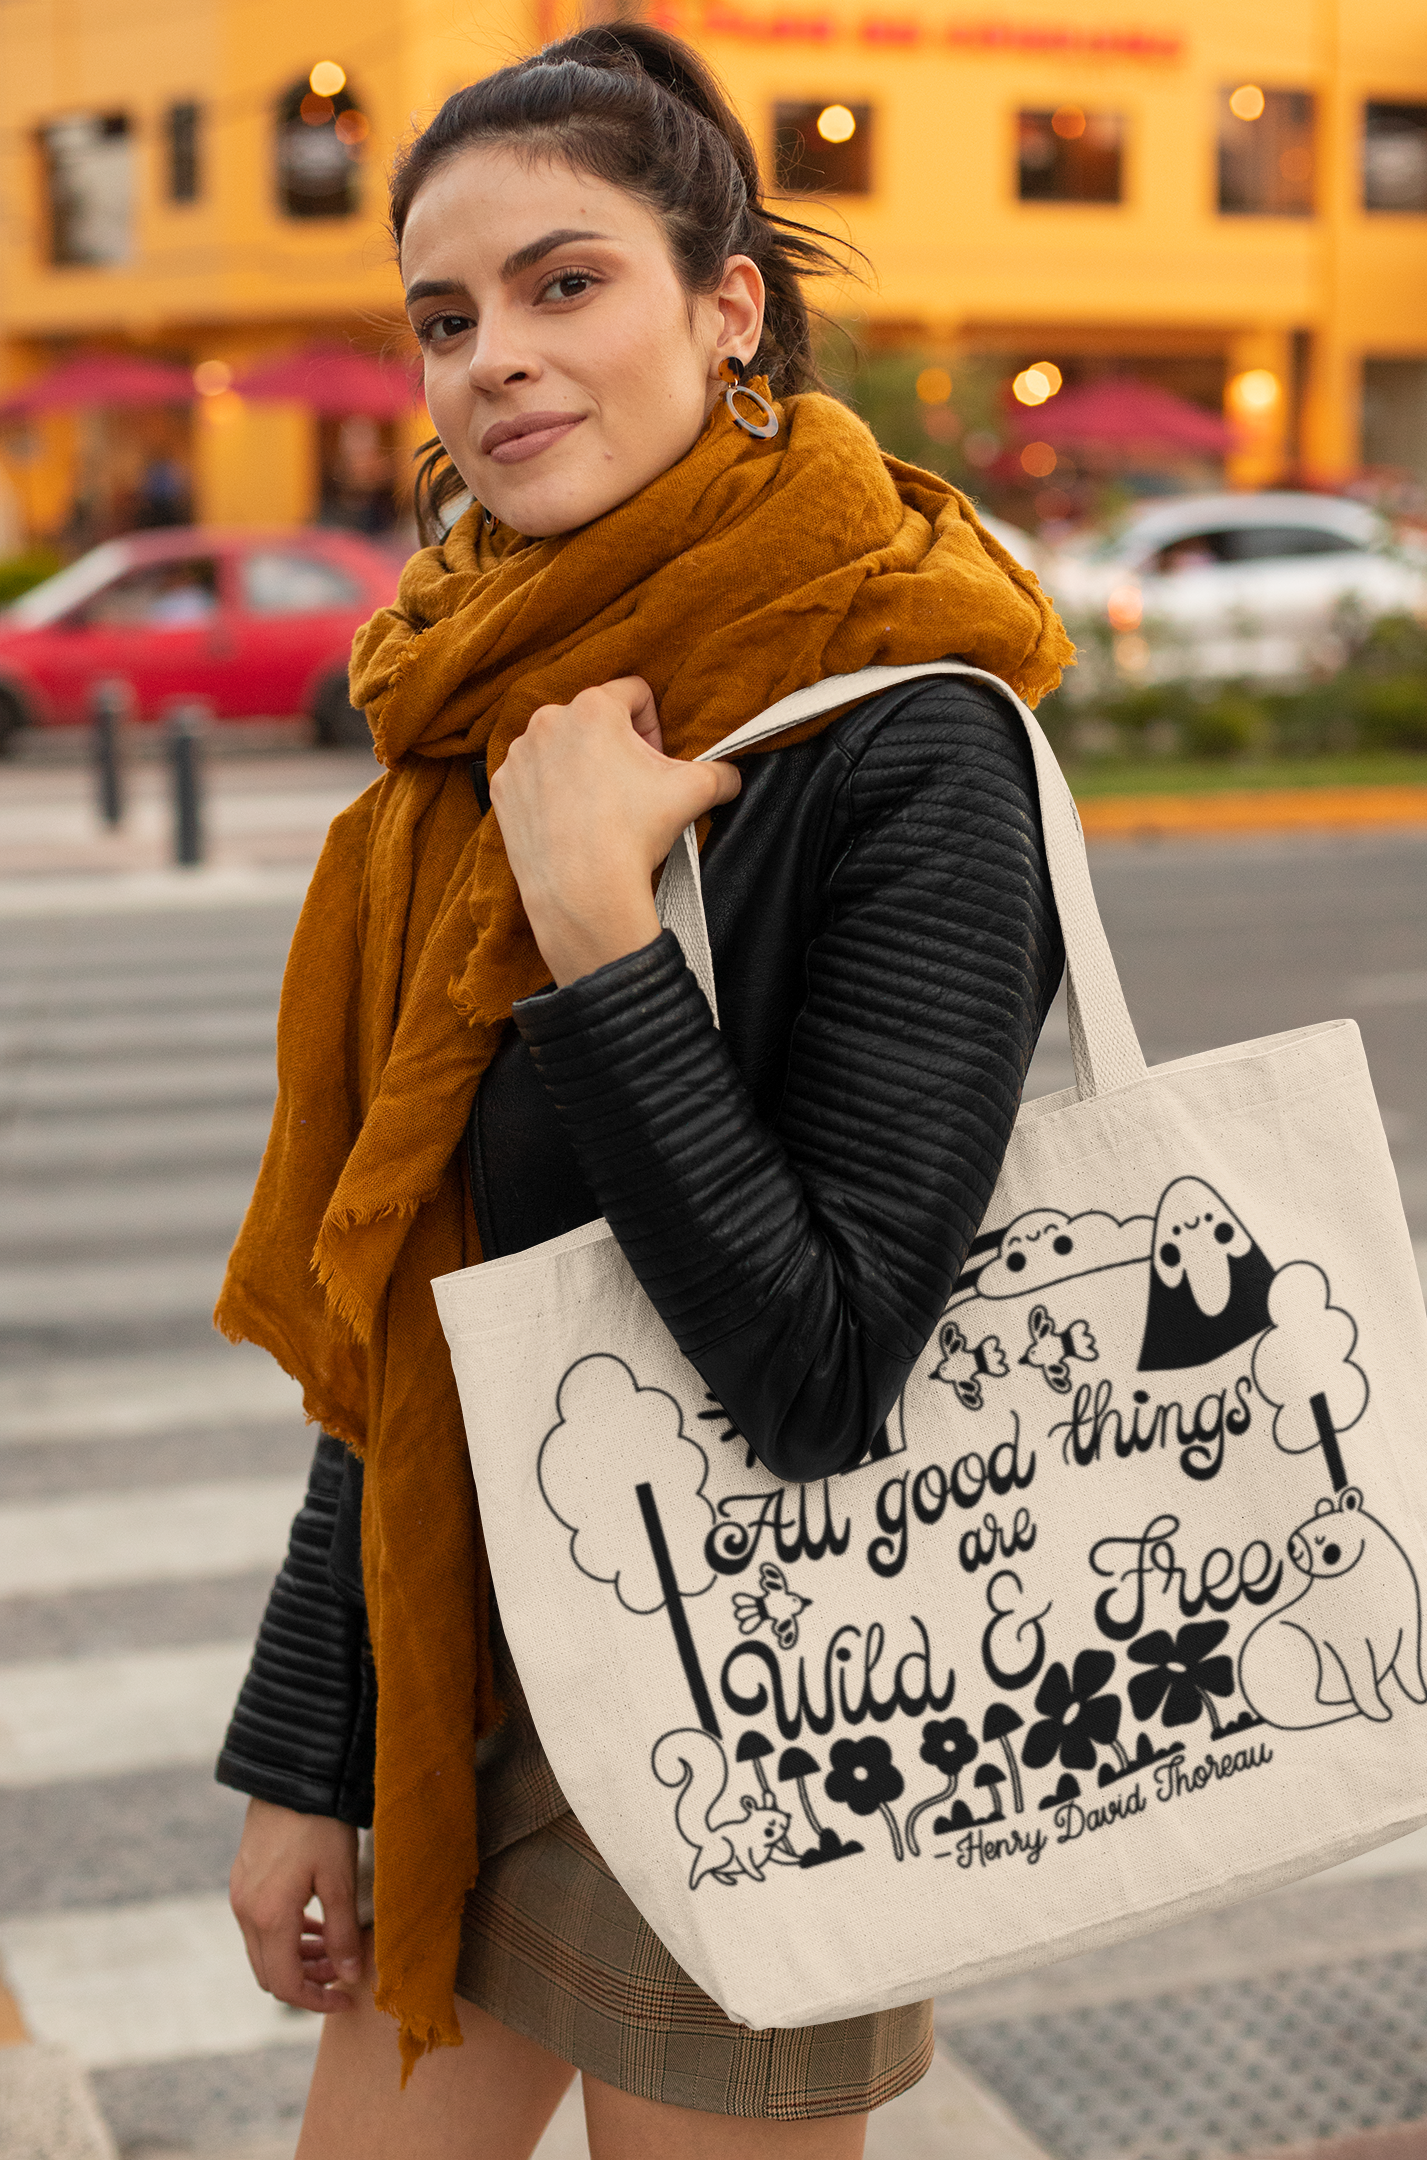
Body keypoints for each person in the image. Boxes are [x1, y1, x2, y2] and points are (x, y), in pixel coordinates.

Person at [214, 24, 1070, 2159]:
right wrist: (312, 1752)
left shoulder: (907, 739)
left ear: (724, 307)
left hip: (775, 1689)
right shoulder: (472, 723)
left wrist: (602, 932)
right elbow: (421, 1300)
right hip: (479, 1670)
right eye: (444, 314)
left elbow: (825, 1364)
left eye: (563, 283)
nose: (489, 355)